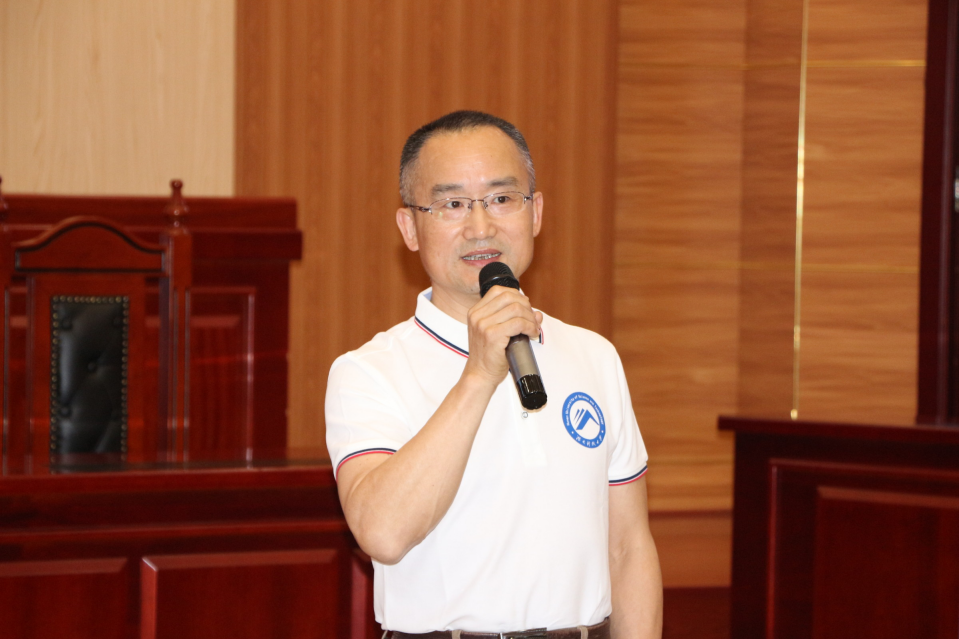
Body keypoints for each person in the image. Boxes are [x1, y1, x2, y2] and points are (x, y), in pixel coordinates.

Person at [325, 110, 662, 638]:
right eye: (452, 204)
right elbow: (383, 534)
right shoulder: (369, 371)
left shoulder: (594, 356)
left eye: (502, 199)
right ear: (410, 228)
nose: (481, 227)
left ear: (536, 212)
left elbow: (628, 547)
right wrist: (479, 374)